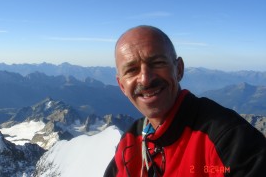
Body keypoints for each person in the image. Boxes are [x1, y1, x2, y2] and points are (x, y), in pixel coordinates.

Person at [104, 25, 266, 177]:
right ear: (122, 86)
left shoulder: (228, 139)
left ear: (179, 69)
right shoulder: (130, 142)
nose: (145, 79)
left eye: (157, 63)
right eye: (132, 70)